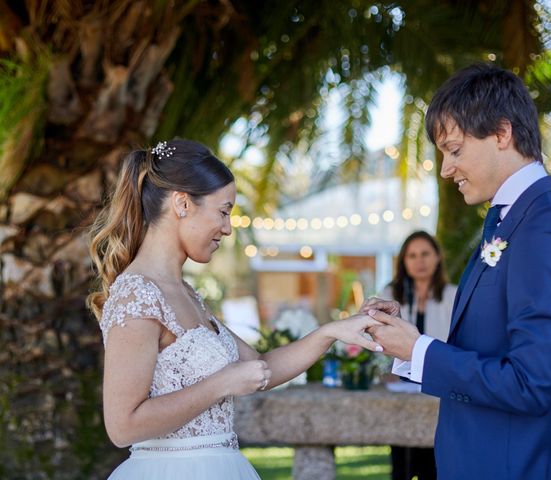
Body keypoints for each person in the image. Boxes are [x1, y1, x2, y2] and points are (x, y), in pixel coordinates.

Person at [87, 139, 381, 480]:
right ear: (182, 204)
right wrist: (222, 383)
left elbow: (260, 368)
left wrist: (331, 332)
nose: (227, 228)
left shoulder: (186, 293)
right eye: (224, 211)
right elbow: (122, 426)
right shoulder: (136, 294)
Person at [362, 64, 551, 479]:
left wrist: (419, 351)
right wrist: (408, 341)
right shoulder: (509, 221)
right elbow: (490, 348)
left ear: (502, 134)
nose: (445, 169)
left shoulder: (547, 226)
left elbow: (532, 382)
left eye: (454, 150)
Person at [379, 231, 456, 480]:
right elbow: (377, 338)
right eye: (412, 255)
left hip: (439, 387)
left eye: (425, 254)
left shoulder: (453, 295)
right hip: (399, 391)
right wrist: (384, 373)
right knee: (401, 462)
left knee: (434, 462)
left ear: (437, 257)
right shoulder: (390, 293)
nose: (419, 261)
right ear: (403, 261)